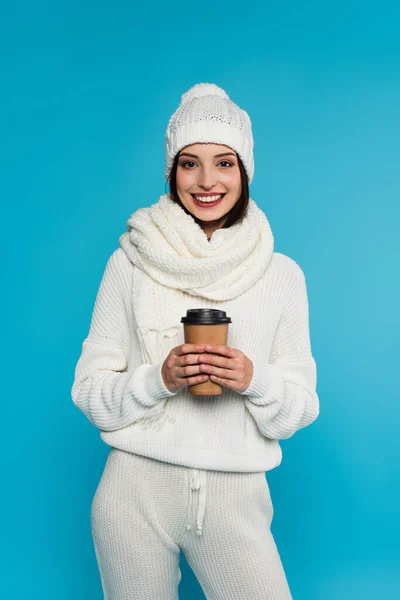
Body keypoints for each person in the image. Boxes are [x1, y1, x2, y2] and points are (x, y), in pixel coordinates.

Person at [71, 82, 320, 600]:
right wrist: (157, 380)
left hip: (236, 493)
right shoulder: (131, 262)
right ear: (171, 172)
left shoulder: (283, 276)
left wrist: (255, 380)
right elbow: (89, 392)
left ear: (245, 170)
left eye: (224, 162)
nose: (207, 181)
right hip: (133, 491)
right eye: (190, 163)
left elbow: (298, 410)